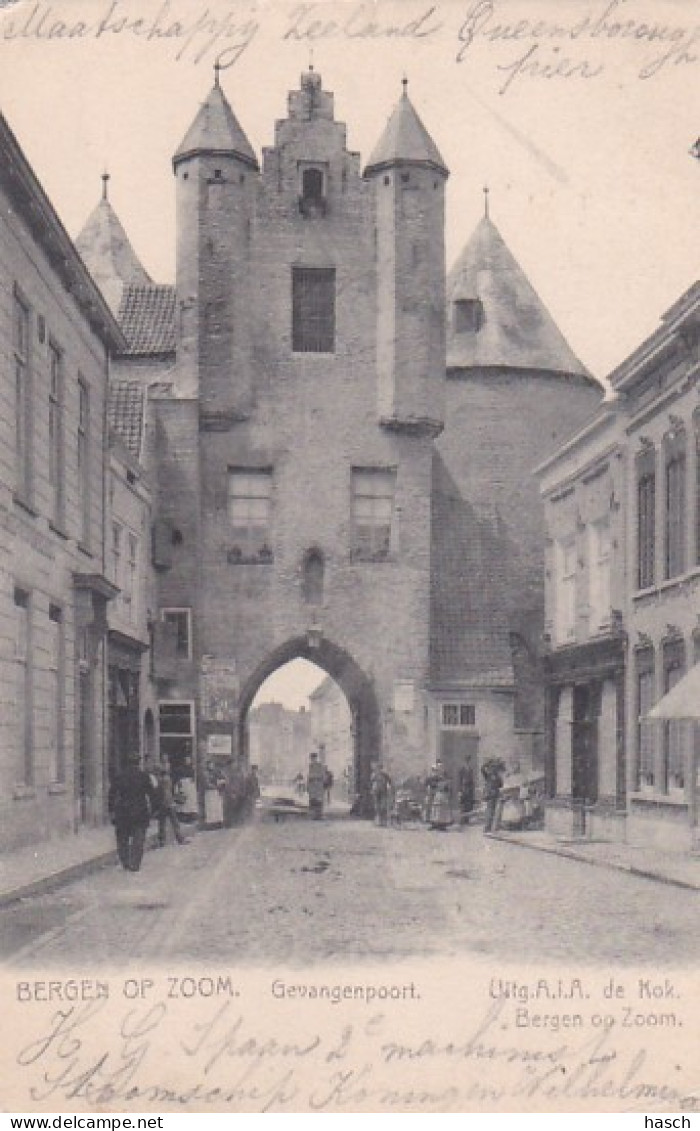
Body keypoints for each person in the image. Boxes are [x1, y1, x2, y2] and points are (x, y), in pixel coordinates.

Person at [108, 751, 158, 872]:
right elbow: (152, 794)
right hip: (140, 810)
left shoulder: (119, 776)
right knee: (139, 839)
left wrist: (111, 811)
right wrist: (154, 810)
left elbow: (111, 794)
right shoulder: (144, 776)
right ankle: (135, 864)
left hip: (123, 811)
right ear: (138, 762)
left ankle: (125, 862)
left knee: (122, 839)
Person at [156, 761, 187, 847]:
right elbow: (168, 792)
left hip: (163, 803)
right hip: (169, 802)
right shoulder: (167, 779)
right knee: (174, 822)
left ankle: (162, 841)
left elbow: (160, 793)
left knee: (162, 823)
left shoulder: (160, 780)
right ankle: (180, 838)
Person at [425, 761, 453, 830]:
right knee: (435, 810)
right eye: (438, 768)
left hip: (442, 795)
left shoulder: (444, 778)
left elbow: (448, 787)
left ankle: (442, 824)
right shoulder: (434, 778)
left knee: (442, 810)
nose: (439, 770)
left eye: (441, 768)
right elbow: (430, 783)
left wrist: (447, 791)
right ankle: (434, 823)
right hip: (436, 795)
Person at [481, 758, 505, 834]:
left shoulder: (497, 777)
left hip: (495, 795)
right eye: (492, 767)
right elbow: (482, 769)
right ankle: (487, 828)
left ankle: (491, 828)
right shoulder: (488, 775)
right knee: (489, 811)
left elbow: (501, 784)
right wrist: (487, 762)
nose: (494, 769)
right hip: (490, 795)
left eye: (495, 768)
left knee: (494, 812)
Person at [307, 752, 325, 820]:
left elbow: (322, 775)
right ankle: (313, 815)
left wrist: (317, 778)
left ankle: (319, 815)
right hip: (312, 785)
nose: (312, 759)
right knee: (312, 800)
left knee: (319, 800)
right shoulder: (310, 766)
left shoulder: (319, 765)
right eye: (311, 758)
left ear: (316, 758)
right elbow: (309, 776)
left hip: (318, 784)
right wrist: (308, 785)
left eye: (313, 758)